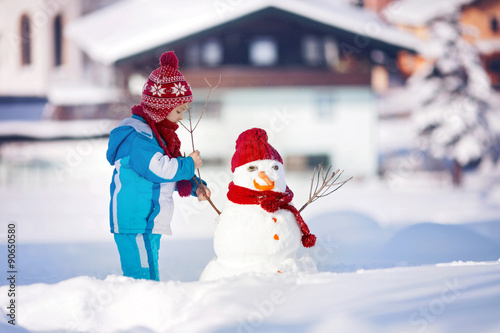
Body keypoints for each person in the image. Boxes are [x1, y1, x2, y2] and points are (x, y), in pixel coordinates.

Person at [106, 51, 211, 281]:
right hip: (135, 220)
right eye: (178, 111)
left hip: (148, 219)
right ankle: (140, 313)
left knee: (150, 273)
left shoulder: (157, 137)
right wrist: (189, 163)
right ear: (161, 108)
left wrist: (194, 187)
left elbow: (166, 174)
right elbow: (159, 169)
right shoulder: (139, 137)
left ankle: (149, 311)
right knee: (142, 278)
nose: (182, 117)